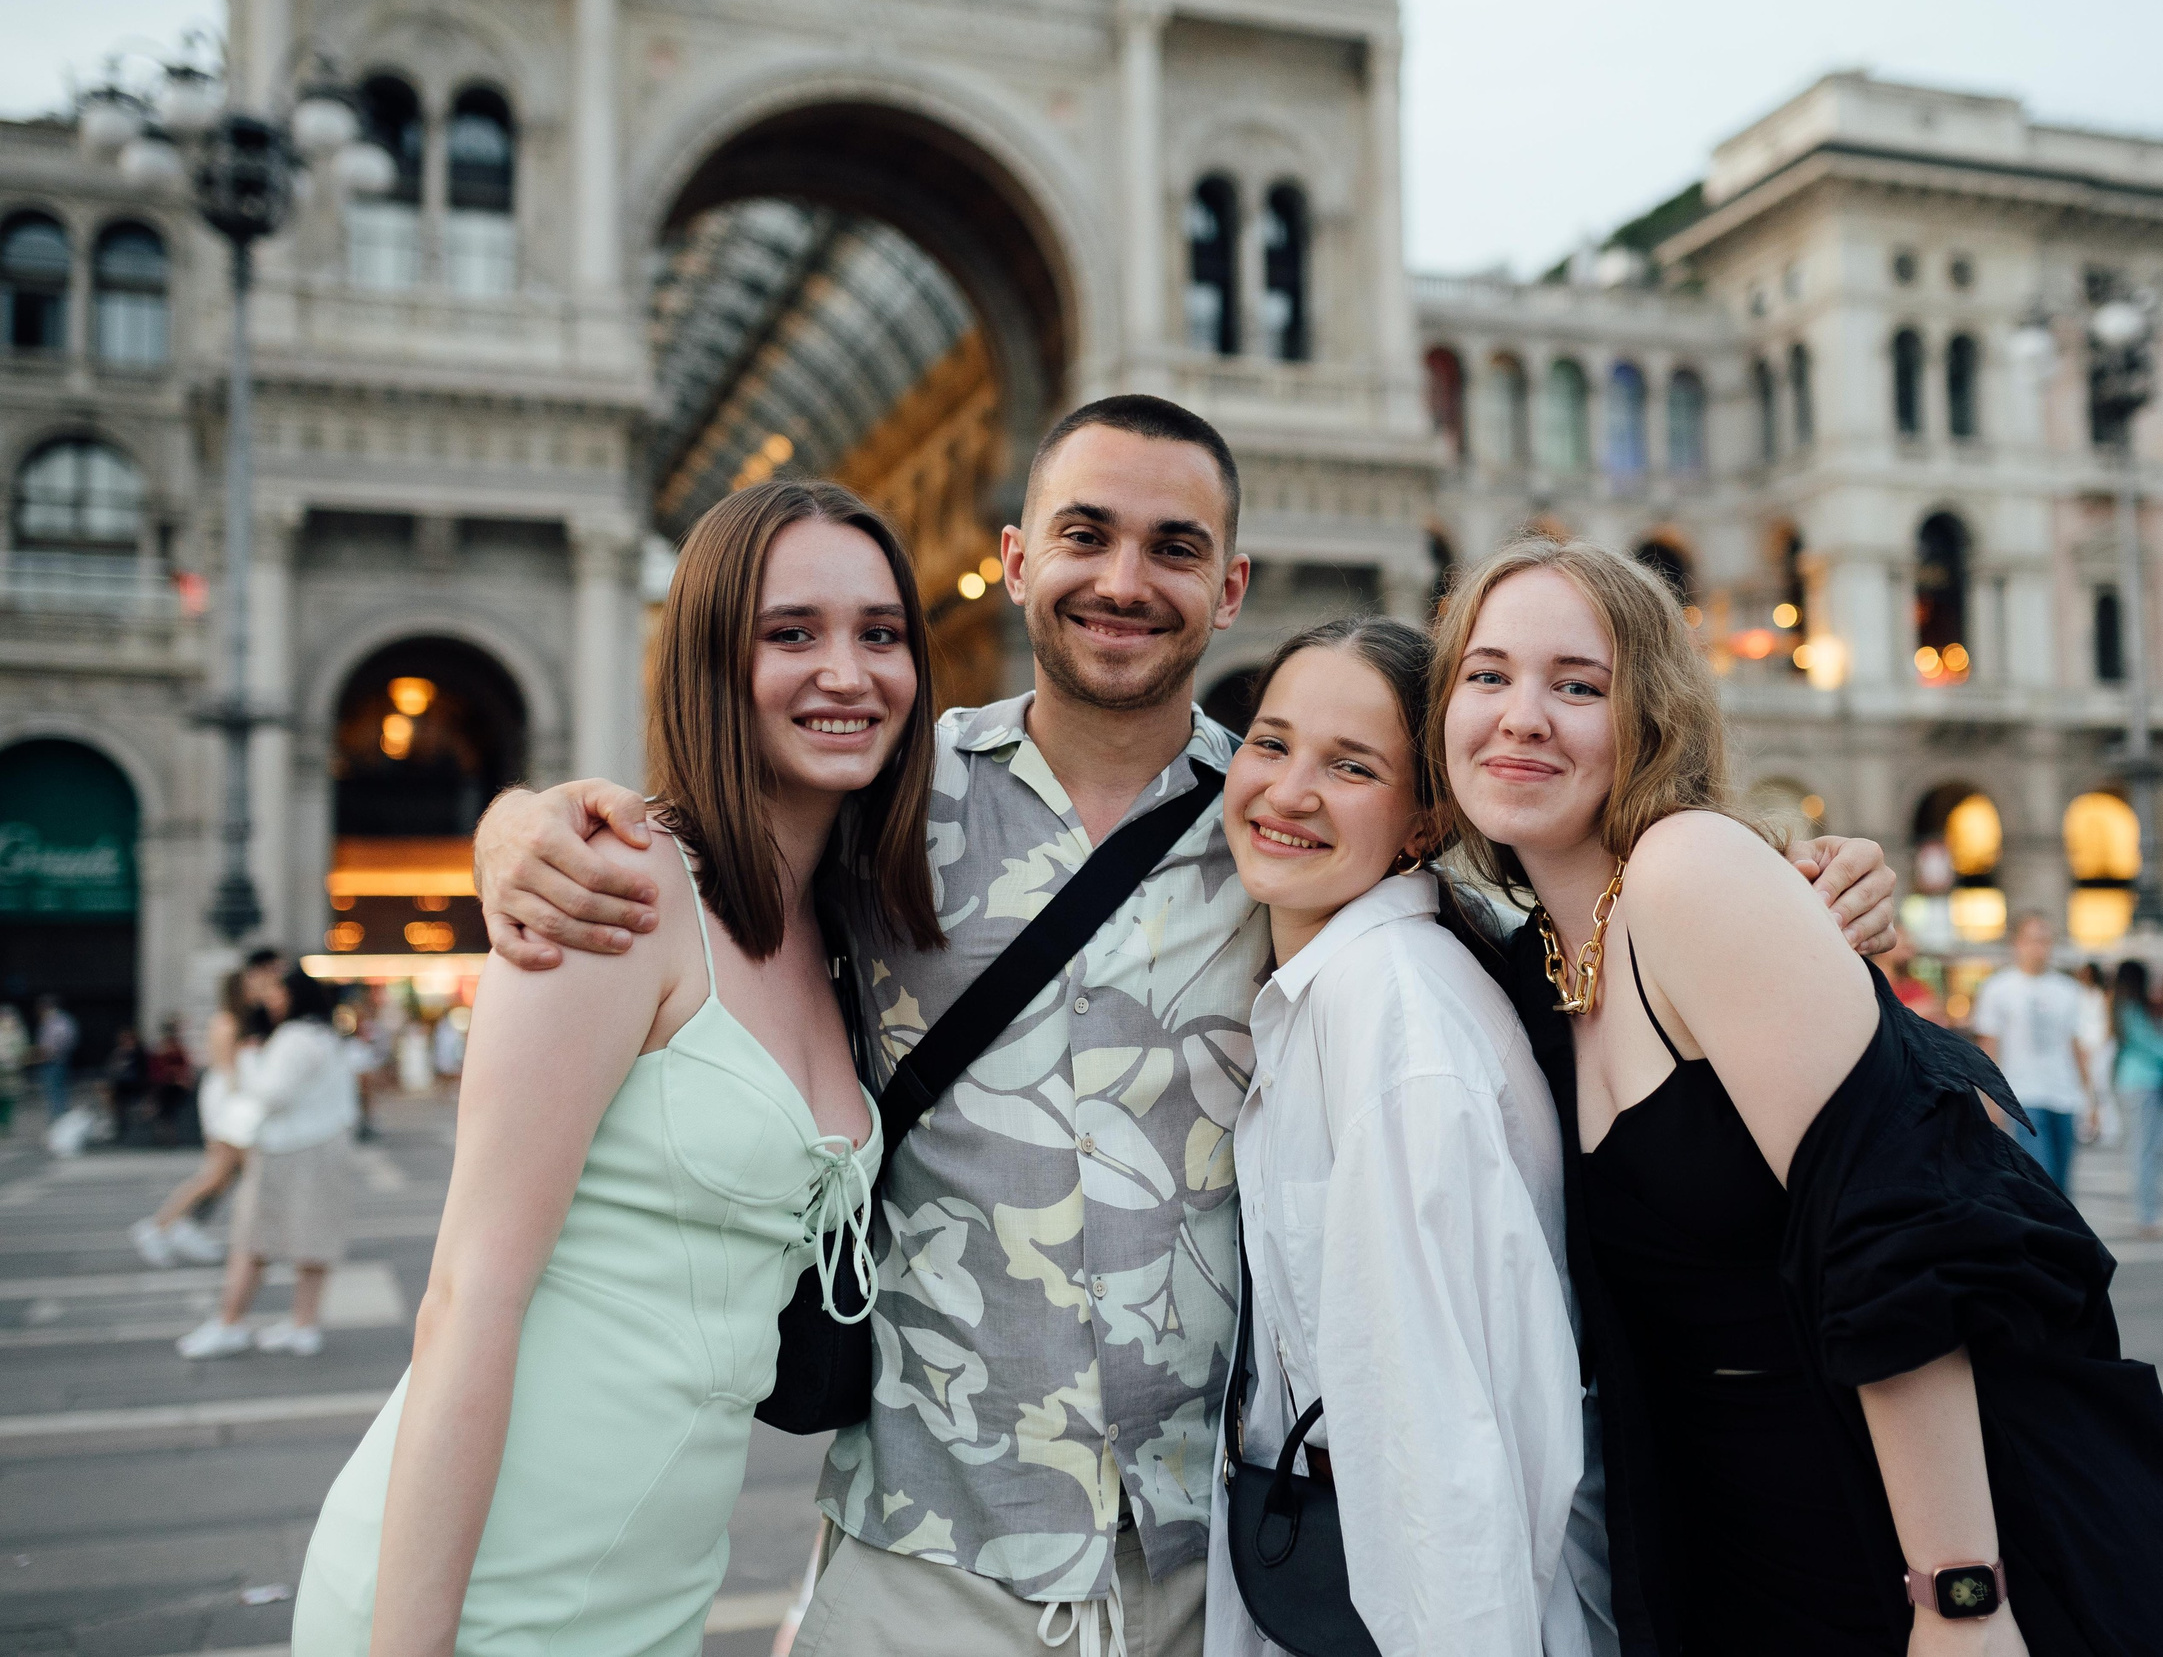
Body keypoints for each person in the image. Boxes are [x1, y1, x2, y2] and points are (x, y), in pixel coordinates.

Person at [471, 396, 1907, 1657]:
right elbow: (712, 845)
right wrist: (522, 824)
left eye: (1172, 549)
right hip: (929, 1554)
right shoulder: (890, 799)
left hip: (1209, 1570)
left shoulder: (1294, 834)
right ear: (1015, 559)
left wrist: (1802, 891)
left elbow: (1581, 920)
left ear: (1228, 588)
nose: (1122, 580)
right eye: (1084, 535)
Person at [1436, 537, 2163, 1657]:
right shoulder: (1537, 961)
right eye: (1487, 674)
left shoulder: (1687, 870)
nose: (1522, 716)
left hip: (1891, 1541)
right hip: (1733, 1542)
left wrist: (1959, 1597)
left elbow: (1897, 1229)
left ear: (1652, 717)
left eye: (1578, 685)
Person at [294, 480, 918, 1653]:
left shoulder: (844, 929)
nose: (846, 671)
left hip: (653, 1591)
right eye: (792, 632)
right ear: (711, 660)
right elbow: (469, 1299)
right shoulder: (615, 891)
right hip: (482, 1585)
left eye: (880, 633)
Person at [1206, 617, 1593, 1655]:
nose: (1289, 791)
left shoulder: (1391, 1008)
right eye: (1271, 743)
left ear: (1424, 822)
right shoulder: (1343, 983)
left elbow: (1438, 1433)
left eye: (1352, 766)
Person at [177, 968, 361, 1359]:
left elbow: (272, 1094)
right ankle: (303, 1324)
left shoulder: (294, 1038)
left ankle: (230, 1322)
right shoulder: (322, 1034)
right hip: (320, 1145)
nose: (270, 1000)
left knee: (251, 1240)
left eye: (277, 992)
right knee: (312, 1240)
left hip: (291, 1149)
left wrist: (245, 1061)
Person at [132, 961, 280, 1267]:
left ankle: (179, 1227)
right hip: (228, 1103)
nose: (258, 991)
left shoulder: (244, 1022)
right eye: (251, 986)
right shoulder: (226, 1022)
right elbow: (228, 1071)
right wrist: (246, 1106)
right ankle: (159, 1226)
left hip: (235, 1102)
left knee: (224, 1175)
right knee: (219, 1173)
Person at [1967, 912, 2095, 1190]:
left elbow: (2075, 1045)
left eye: (2045, 941)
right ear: (2017, 943)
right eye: (2034, 940)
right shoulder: (1998, 988)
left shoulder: (2068, 989)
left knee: (2062, 1184)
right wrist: (1991, 1101)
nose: (2040, 948)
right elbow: (1988, 1047)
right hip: (2023, 1096)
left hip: (2064, 1095)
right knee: (2040, 1178)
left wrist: (2091, 1098)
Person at [2110, 960, 2163, 1242]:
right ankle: (2147, 1217)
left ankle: (2148, 1215)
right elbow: (2153, 1047)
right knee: (2147, 1150)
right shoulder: (2131, 1010)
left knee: (2155, 1148)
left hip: (2141, 1084)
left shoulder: (2126, 1008)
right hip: (2141, 1085)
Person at [2075, 962, 2120, 1147]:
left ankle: (2109, 1127)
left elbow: (2109, 1024)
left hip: (2102, 1047)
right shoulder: (2078, 995)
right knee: (2086, 1088)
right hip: (2085, 1047)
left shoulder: (2104, 995)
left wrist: (2098, 1047)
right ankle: (2090, 1125)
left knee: (2102, 1087)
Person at [31, 992, 77, 1123]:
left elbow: (65, 1040)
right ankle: (56, 1119)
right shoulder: (48, 1021)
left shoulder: (60, 1020)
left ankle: (60, 1120)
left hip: (56, 1061)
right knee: (51, 1092)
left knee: (57, 1092)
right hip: (47, 1062)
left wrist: (51, 1052)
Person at [0, 1001, 25, 1133]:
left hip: (11, 1068)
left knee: (9, 1096)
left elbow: (21, 1048)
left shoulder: (17, 1031)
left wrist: (14, 1057)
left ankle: (6, 1124)